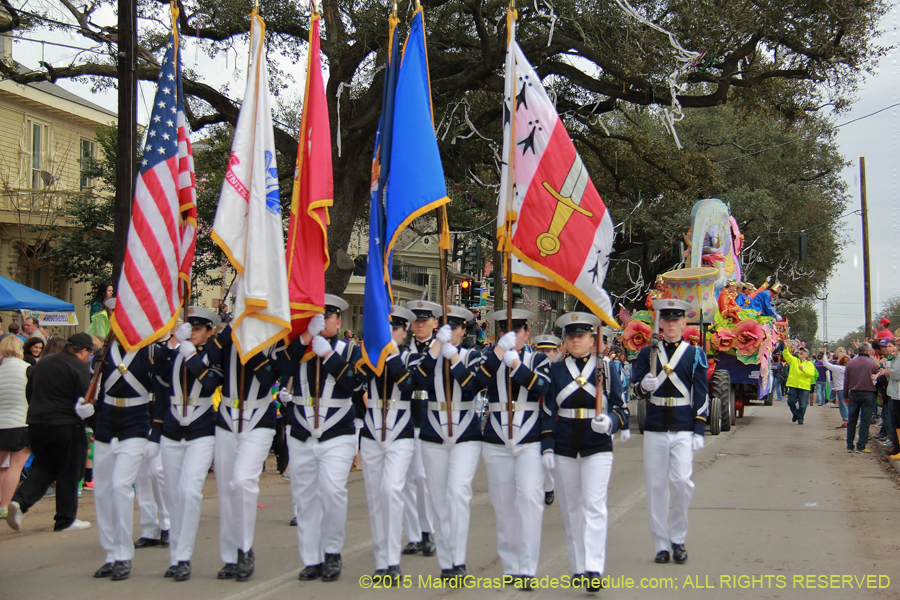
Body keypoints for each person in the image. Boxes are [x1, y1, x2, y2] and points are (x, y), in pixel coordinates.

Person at [183, 315, 284, 583]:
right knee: (226, 489)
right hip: (227, 417)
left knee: (243, 481)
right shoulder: (226, 337)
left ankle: (245, 548)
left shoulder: (273, 338)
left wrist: (250, 344)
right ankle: (230, 555)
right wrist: (227, 333)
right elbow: (210, 374)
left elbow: (268, 378)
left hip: (259, 417)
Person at [277, 294, 363, 583]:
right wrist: (303, 340)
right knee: (304, 497)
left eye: (327, 317)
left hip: (337, 432)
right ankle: (311, 558)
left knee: (332, 490)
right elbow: (281, 369)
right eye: (317, 317)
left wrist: (328, 356)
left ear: (338, 322)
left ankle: (332, 551)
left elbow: (354, 383)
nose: (322, 321)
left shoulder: (349, 351)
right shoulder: (298, 348)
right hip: (302, 431)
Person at [541, 311, 628, 593]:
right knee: (571, 509)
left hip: (597, 442)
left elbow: (621, 408)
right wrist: (547, 446)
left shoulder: (607, 369)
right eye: (571, 336)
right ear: (565, 341)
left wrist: (611, 422)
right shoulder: (555, 370)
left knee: (594, 505)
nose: (576, 340)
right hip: (565, 443)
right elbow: (547, 412)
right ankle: (578, 566)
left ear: (593, 339)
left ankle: (593, 567)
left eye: (581, 336)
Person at [476, 309, 550, 589]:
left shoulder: (538, 359)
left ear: (527, 333)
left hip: (529, 437)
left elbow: (541, 388)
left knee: (530, 499)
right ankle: (510, 566)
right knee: (503, 504)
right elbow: (477, 384)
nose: (512, 337)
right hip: (496, 437)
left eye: (517, 332)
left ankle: (527, 568)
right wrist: (498, 355)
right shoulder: (489, 358)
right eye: (506, 332)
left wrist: (517, 366)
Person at [632, 299, 708, 566]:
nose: (672, 324)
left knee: (683, 482)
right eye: (667, 320)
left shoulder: (694, 354)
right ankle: (661, 545)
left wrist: (699, 428)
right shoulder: (648, 353)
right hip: (655, 425)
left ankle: (678, 537)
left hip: (683, 425)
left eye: (676, 320)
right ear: (660, 323)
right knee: (656, 488)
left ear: (684, 323)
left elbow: (701, 393)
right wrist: (643, 386)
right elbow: (635, 390)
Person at [87, 298, 157, 582]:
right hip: (106, 422)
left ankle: (123, 555)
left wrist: (157, 431)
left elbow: (164, 388)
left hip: (136, 423)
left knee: (120, 485)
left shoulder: (148, 350)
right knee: (102, 490)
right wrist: (88, 410)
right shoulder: (105, 351)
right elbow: (97, 387)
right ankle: (110, 554)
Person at [415, 305, 483, 579]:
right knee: (438, 498)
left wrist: (453, 357)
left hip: (465, 430)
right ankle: (447, 561)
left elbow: (471, 387)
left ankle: (459, 558)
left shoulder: (472, 356)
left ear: (463, 331)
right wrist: (435, 349)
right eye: (444, 328)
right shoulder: (428, 355)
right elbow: (416, 383)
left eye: (454, 328)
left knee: (457, 493)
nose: (449, 333)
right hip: (433, 429)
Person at [154, 307, 222, 581]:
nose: (192, 333)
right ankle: (175, 556)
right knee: (173, 495)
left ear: (209, 332)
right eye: (189, 328)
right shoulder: (175, 351)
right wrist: (173, 343)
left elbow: (211, 383)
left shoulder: (212, 353)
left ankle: (184, 557)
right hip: (172, 428)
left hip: (201, 429)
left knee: (190, 491)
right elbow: (155, 369)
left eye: (198, 329)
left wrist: (192, 357)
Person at [354, 306, 418, 586]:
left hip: (400, 432)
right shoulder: (369, 357)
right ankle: (381, 560)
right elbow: (355, 382)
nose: (390, 334)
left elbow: (410, 385)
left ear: (404, 333)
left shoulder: (412, 357)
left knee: (391, 491)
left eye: (396, 329)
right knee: (375, 497)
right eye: (386, 329)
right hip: (371, 431)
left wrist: (391, 357)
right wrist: (373, 355)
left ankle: (392, 560)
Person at [5, 333, 93, 533]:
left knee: (44, 467)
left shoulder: (43, 363)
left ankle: (20, 502)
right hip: (66, 423)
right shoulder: (80, 368)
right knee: (70, 470)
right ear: (84, 350)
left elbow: (30, 391)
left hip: (36, 422)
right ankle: (66, 519)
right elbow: (85, 398)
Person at [399, 300, 439, 558]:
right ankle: (413, 535)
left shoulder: (442, 350)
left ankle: (428, 530)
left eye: (425, 321)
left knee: (424, 479)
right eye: (416, 321)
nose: (420, 325)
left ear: (435, 323)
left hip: (430, 418)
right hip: (405, 417)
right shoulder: (403, 351)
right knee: (406, 480)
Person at [0, 336, 31, 520]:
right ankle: (4, 506)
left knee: (1, 466)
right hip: (21, 422)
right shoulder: (27, 369)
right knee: (15, 467)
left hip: (1, 423)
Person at [532, 334, 562, 507]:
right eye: (541, 351)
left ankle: (549, 487)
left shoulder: (559, 370)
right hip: (535, 416)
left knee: (551, 454)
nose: (544, 354)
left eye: (548, 351)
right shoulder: (532, 369)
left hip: (554, 418)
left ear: (555, 352)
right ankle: (539, 486)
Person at [843, 342, 880, 453]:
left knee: (852, 420)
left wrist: (845, 395)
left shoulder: (850, 363)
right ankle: (861, 445)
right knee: (865, 420)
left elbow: (846, 381)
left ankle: (849, 445)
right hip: (869, 393)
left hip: (854, 393)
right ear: (868, 351)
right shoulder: (872, 363)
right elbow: (877, 379)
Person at [782, 341, 815, 425]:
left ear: (807, 355)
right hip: (793, 385)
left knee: (803, 404)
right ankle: (796, 414)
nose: (801, 352)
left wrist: (803, 369)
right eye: (801, 350)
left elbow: (811, 373)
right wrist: (786, 348)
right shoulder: (794, 360)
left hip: (804, 386)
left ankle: (800, 418)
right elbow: (787, 355)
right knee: (791, 402)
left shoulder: (809, 364)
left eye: (804, 351)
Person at [881, 340, 900, 460]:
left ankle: (897, 446)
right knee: (895, 422)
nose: (889, 349)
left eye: (892, 346)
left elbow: (896, 374)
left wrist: (888, 372)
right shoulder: (894, 358)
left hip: (897, 393)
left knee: (897, 421)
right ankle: (896, 444)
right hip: (894, 393)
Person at [822, 352, 849, 428]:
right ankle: (850, 420)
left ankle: (846, 421)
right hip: (848, 388)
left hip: (840, 388)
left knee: (842, 405)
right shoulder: (849, 369)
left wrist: (824, 354)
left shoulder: (837, 368)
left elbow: (826, 363)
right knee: (848, 404)